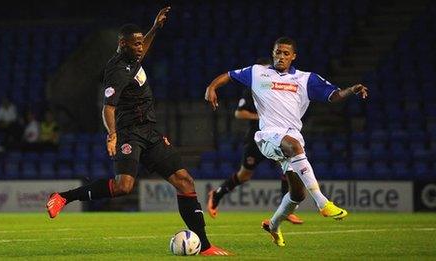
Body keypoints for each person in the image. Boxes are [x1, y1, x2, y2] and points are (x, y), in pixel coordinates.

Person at [45, 7, 231, 256]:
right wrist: (112, 135)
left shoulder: (132, 58)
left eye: (142, 42)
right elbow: (108, 107)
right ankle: (64, 197)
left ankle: (206, 246)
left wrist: (154, 28)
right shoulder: (116, 70)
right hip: (129, 134)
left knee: (185, 181)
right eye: (136, 44)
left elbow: (143, 51)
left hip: (150, 132)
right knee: (124, 187)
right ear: (122, 44)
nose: (141, 47)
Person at [205, 37, 368, 247]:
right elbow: (229, 75)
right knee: (293, 147)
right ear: (273, 53)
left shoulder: (305, 79)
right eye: (277, 52)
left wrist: (352, 89)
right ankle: (322, 202)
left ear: (293, 56)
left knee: (297, 194)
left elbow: (334, 95)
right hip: (268, 136)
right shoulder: (258, 72)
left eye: (285, 53)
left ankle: (273, 225)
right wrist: (211, 87)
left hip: (291, 136)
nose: (280, 56)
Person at [207, 57, 303, 225]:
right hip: (256, 138)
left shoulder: (280, 89)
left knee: (287, 166)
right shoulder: (254, 89)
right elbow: (239, 113)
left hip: (277, 136)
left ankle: (286, 209)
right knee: (244, 175)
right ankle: (217, 194)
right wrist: (261, 117)